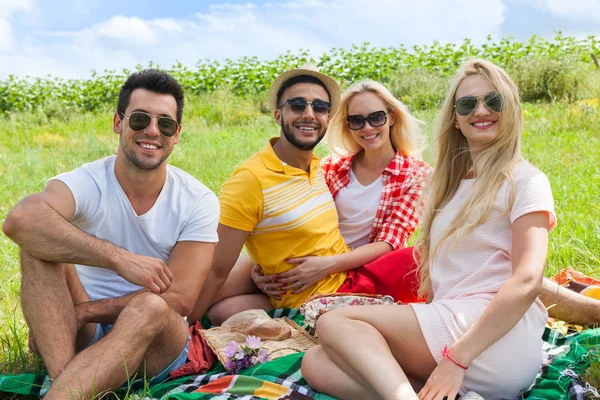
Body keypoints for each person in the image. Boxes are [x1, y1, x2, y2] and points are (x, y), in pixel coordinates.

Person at [301, 59, 556, 400]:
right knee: (317, 362)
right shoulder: (447, 185)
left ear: (512, 109)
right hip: (455, 325)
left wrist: (457, 360)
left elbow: (527, 281)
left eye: (493, 100)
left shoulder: (526, 180)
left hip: (493, 334)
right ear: (455, 117)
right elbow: (441, 278)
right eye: (468, 103)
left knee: (335, 323)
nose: (481, 110)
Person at [2, 69, 219, 399]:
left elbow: (180, 298)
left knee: (152, 305)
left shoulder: (197, 199)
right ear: (118, 123)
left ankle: (62, 390)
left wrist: (84, 312)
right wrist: (120, 259)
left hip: (155, 344)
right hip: (81, 334)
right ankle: (67, 385)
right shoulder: (88, 181)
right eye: (140, 119)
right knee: (37, 247)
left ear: (176, 135)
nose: (152, 131)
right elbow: (21, 220)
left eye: (165, 124)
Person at [252, 80, 432, 305]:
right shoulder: (332, 167)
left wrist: (326, 266)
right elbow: (300, 219)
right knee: (226, 303)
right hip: (310, 259)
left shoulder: (417, 175)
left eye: (376, 117)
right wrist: (261, 267)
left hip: (361, 272)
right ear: (348, 125)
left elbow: (390, 243)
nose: (367, 128)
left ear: (392, 118)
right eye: (357, 120)